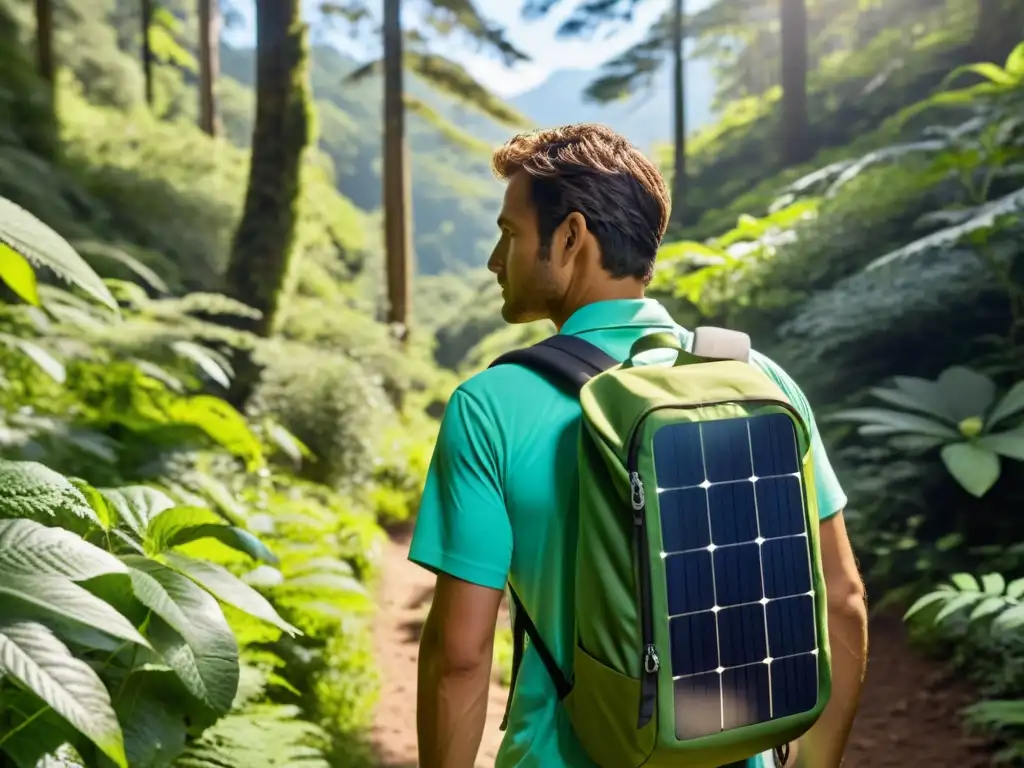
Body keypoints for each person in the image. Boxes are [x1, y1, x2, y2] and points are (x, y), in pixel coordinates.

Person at [409, 123, 868, 768]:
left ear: (570, 238)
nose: (495, 259)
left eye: (509, 235)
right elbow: (842, 603)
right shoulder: (759, 380)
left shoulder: (490, 407)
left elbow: (459, 659)